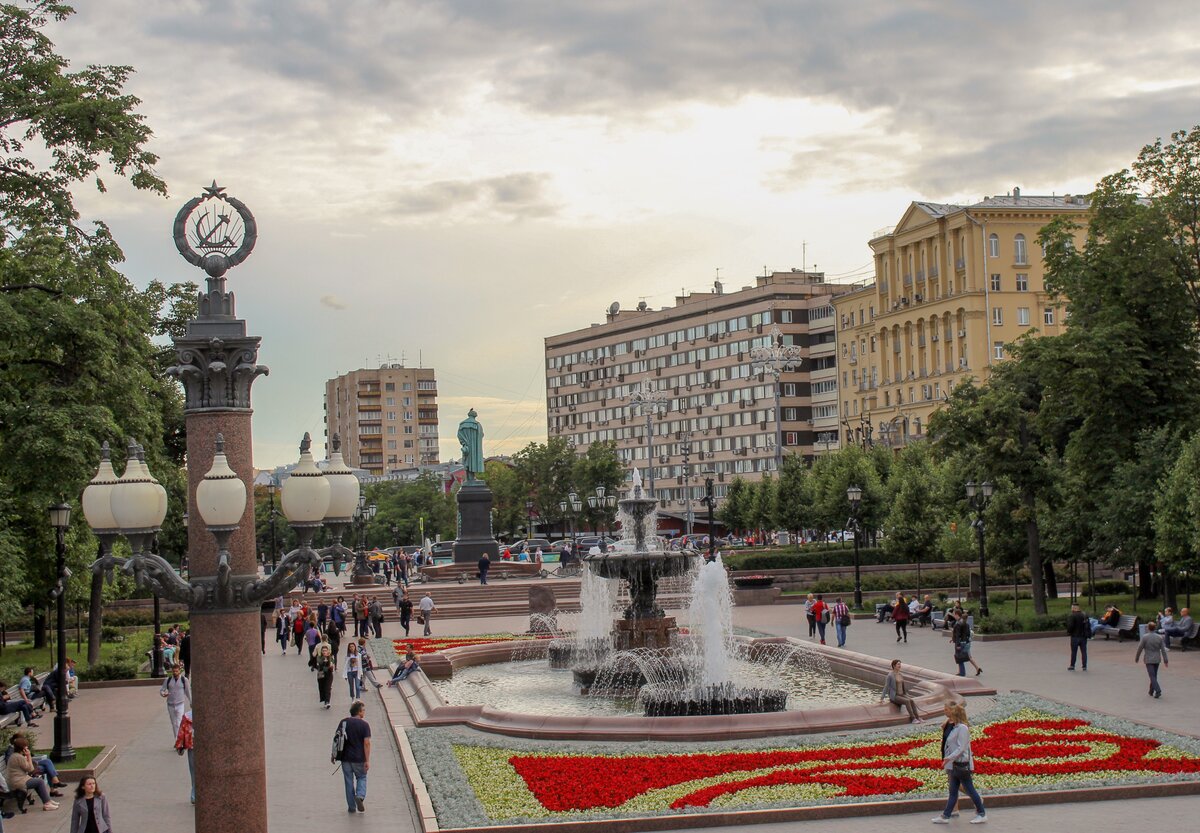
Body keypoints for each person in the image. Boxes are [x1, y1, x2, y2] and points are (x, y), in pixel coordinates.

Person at [932, 701, 987, 824]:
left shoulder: (962, 728)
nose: (945, 712)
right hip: (954, 764)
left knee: (970, 789)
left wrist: (948, 758)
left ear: (954, 713)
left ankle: (982, 813)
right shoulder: (955, 726)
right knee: (953, 791)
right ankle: (945, 816)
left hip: (961, 764)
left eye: (947, 710)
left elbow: (961, 747)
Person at [336, 701, 372, 813]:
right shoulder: (364, 725)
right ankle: (360, 796)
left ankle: (351, 807)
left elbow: (337, 739)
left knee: (348, 781)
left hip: (345, 758)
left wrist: (334, 755)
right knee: (361, 777)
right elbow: (366, 743)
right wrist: (367, 760)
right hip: (359, 758)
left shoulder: (343, 722)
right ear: (359, 711)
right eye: (363, 710)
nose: (364, 712)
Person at [5, 736, 58, 811]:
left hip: (17, 780)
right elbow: (31, 769)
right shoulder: (18, 757)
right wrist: (28, 755)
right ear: (23, 748)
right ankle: (47, 803)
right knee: (39, 782)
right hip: (18, 783)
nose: (27, 748)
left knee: (37, 781)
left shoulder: (15, 756)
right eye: (26, 747)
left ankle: (47, 801)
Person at [1135, 620, 1169, 698]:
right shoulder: (1159, 637)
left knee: (1152, 675)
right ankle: (1151, 691)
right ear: (1154, 628)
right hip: (1157, 659)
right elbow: (1163, 650)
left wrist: (1137, 658)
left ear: (1148, 628)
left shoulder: (1145, 637)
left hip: (1148, 659)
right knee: (1154, 675)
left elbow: (1139, 648)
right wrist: (1165, 660)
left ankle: (1158, 690)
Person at [881, 659, 921, 723]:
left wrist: (906, 694)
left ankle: (918, 717)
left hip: (902, 694)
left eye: (900, 664)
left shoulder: (900, 674)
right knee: (907, 701)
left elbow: (902, 686)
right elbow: (886, 686)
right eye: (898, 664)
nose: (900, 665)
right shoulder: (890, 675)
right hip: (895, 696)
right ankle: (913, 719)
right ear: (894, 666)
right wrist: (882, 698)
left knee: (911, 700)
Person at [159, 662, 191, 742]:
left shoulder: (184, 680)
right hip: (170, 704)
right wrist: (163, 693)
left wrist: (191, 701)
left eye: (176, 671)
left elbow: (187, 692)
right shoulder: (168, 680)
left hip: (180, 704)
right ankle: (177, 740)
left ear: (179, 671)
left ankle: (179, 740)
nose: (175, 673)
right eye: (173, 671)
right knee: (174, 723)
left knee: (179, 722)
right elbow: (162, 690)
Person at [174, 710, 195, 804]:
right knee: (194, 770)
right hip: (193, 747)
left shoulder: (187, 716)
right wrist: (180, 745)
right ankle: (194, 793)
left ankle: (195, 793)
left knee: (195, 771)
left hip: (196, 747)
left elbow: (181, 731)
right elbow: (182, 731)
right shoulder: (187, 717)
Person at [1066, 603, 1089, 671]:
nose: (1071, 609)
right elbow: (1088, 625)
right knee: (1084, 651)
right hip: (1083, 636)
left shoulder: (1072, 616)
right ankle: (1084, 666)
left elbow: (1070, 626)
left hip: (1075, 636)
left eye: (1072, 608)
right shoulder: (1084, 615)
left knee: (1074, 652)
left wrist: (1069, 632)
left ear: (1074, 608)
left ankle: (1072, 665)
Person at [314, 644, 335, 708]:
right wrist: (324, 660)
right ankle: (324, 700)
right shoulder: (319, 657)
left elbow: (332, 665)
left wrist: (330, 664)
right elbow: (319, 665)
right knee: (322, 688)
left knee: (327, 688)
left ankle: (327, 702)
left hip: (329, 674)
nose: (324, 652)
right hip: (321, 674)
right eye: (323, 651)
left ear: (328, 651)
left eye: (325, 650)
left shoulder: (330, 657)